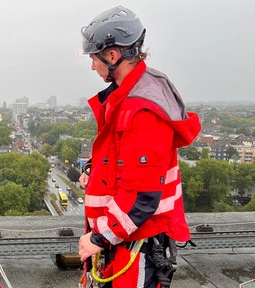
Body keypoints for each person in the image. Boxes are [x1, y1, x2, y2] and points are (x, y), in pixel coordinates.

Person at [77, 6, 201, 288]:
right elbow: (122, 158)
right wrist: (94, 170)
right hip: (125, 238)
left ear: (112, 55)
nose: (92, 66)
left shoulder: (140, 109)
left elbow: (142, 196)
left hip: (137, 242)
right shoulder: (129, 95)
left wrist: (99, 238)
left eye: (94, 58)